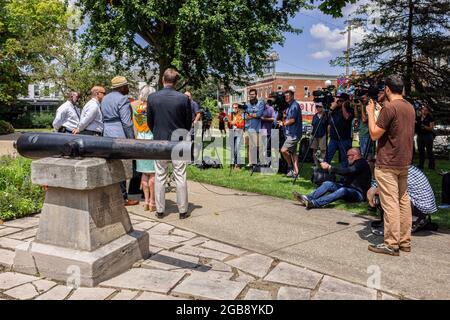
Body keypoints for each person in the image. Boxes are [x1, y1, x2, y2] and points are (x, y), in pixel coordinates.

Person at [366, 74, 416, 256]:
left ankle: (391, 243)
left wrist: (371, 113)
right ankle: (405, 241)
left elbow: (374, 134)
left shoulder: (389, 107)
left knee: (391, 204)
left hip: (388, 162)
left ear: (387, 89)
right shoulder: (409, 107)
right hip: (404, 161)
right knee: (403, 201)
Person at [147, 68, 192, 219]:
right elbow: (188, 122)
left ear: (162, 80)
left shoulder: (152, 97)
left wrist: (157, 132)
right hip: (179, 140)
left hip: (159, 139)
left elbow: (150, 122)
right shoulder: (183, 98)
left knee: (160, 175)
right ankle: (183, 210)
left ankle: (160, 210)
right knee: (181, 175)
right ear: (176, 81)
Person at [101, 76, 138, 206]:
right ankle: (122, 197)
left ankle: (112, 194)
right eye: (127, 85)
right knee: (120, 167)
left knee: (110, 165)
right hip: (119, 134)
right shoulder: (123, 99)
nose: (128, 88)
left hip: (106, 133)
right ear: (122, 87)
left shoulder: (105, 98)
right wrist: (131, 139)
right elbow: (127, 123)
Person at [367, 165, 438, 234]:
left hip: (420, 207)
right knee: (383, 194)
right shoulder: (402, 166)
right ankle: (413, 220)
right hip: (423, 207)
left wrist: (372, 198)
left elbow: (382, 190)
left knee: (384, 196)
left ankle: (393, 227)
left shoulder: (394, 169)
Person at [293, 148, 371, 209]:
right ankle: (308, 198)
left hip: (359, 194)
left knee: (342, 190)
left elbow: (347, 171)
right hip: (348, 188)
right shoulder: (355, 163)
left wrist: (330, 167)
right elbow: (346, 175)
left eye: (348, 156)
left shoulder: (361, 163)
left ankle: (314, 203)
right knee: (328, 184)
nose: (347, 158)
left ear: (355, 155)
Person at [131, 85, 156, 212]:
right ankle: (152, 201)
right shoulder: (153, 107)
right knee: (153, 173)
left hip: (140, 138)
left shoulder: (135, 107)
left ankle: (145, 201)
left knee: (144, 173)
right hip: (151, 138)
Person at [325, 93, 354, 168]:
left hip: (345, 139)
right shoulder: (335, 109)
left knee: (344, 159)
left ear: (346, 101)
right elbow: (326, 119)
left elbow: (347, 117)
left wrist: (344, 106)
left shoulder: (350, 109)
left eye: (341, 101)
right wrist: (332, 108)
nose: (339, 102)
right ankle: (323, 174)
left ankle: (343, 177)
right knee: (327, 157)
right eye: (338, 100)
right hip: (333, 139)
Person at [278, 89, 302, 178]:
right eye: (285, 96)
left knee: (283, 150)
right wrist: (284, 117)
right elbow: (288, 118)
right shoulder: (289, 106)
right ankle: (296, 172)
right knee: (293, 153)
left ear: (292, 96)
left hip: (294, 134)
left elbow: (292, 120)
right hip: (290, 133)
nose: (286, 97)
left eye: (288, 96)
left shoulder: (294, 105)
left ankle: (290, 166)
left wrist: (283, 123)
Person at [245, 88, 265, 166]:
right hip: (248, 128)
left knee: (258, 146)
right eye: (250, 94)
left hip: (257, 128)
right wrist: (252, 115)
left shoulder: (260, 103)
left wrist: (250, 115)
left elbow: (259, 114)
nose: (251, 96)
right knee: (249, 146)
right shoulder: (247, 105)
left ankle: (261, 161)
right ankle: (251, 162)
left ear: (256, 95)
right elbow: (244, 116)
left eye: (253, 94)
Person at [416, 104, 435, 170]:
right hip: (420, 135)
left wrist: (424, 127)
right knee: (421, 151)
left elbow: (431, 128)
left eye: (426, 110)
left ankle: (431, 166)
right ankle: (421, 165)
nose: (424, 111)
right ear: (421, 110)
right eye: (423, 110)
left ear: (428, 111)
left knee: (429, 151)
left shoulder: (430, 118)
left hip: (428, 136)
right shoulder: (418, 117)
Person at [228, 103, 245, 169]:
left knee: (237, 149)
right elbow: (229, 126)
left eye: (236, 107)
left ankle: (238, 164)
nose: (234, 109)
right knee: (232, 149)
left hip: (239, 132)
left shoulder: (241, 115)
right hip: (232, 132)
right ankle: (233, 163)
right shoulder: (230, 115)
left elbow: (242, 125)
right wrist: (228, 122)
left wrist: (235, 123)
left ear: (238, 108)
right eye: (233, 107)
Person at [310, 102, 328, 166]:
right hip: (314, 135)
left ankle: (322, 163)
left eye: (319, 107)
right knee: (314, 149)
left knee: (323, 150)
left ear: (323, 107)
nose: (318, 108)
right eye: (317, 107)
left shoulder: (325, 116)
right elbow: (313, 125)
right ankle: (315, 163)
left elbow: (327, 125)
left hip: (322, 134)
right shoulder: (315, 116)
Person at [261, 99, 275, 164]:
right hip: (262, 130)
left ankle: (269, 162)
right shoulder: (260, 109)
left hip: (268, 131)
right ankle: (264, 161)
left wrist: (264, 119)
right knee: (263, 147)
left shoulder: (271, 109)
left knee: (268, 147)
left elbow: (273, 118)